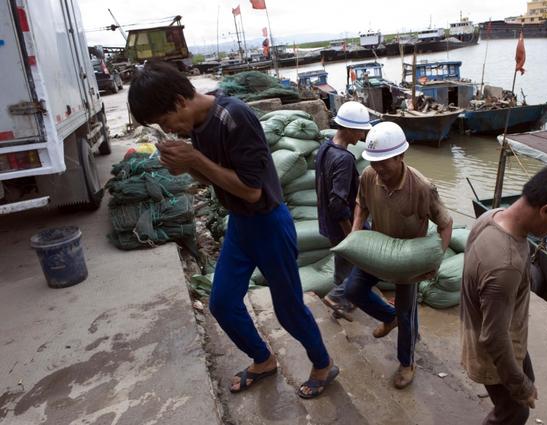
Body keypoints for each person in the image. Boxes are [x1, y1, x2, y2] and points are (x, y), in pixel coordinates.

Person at [127, 62, 338, 399]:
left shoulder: (234, 117)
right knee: (222, 303)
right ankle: (263, 359)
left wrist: (194, 160)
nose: (168, 129)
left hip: (268, 223)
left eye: (165, 121)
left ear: (180, 101)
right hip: (240, 224)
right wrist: (185, 165)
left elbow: (252, 190)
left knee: (288, 310)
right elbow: (212, 179)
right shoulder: (196, 125)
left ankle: (324, 364)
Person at [460, 165, 547, 424]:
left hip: (508, 333)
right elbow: (494, 338)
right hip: (493, 350)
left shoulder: (492, 216)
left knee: (516, 402)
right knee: (515, 411)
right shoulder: (504, 263)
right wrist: (520, 385)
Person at [345, 121, 453, 389]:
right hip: (377, 248)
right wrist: (356, 235)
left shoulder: (422, 187)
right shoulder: (369, 176)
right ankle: (387, 316)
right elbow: (361, 204)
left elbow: (445, 223)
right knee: (352, 290)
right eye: (374, 162)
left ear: (400, 156)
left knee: (407, 315)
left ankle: (407, 363)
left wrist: (435, 259)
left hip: (407, 259)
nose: (378, 168)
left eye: (384, 162)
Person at [315, 101, 371, 321]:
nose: (362, 134)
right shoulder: (344, 159)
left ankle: (340, 307)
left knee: (342, 267)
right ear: (346, 129)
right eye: (359, 130)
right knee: (368, 266)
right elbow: (337, 203)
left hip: (328, 223)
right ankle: (338, 297)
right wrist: (352, 234)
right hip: (343, 224)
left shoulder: (325, 148)